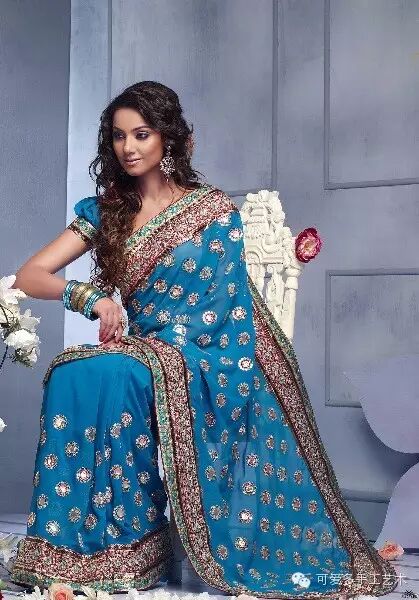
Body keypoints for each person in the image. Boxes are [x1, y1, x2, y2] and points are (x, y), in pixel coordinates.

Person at [10, 81, 398, 598]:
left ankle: (130, 542)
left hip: (206, 355)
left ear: (167, 137)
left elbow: (226, 313)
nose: (128, 147)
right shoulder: (106, 212)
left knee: (112, 369)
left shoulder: (211, 212)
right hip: (143, 349)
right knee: (75, 369)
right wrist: (91, 298)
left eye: (142, 134)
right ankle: (93, 546)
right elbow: (30, 274)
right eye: (119, 136)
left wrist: (174, 348)